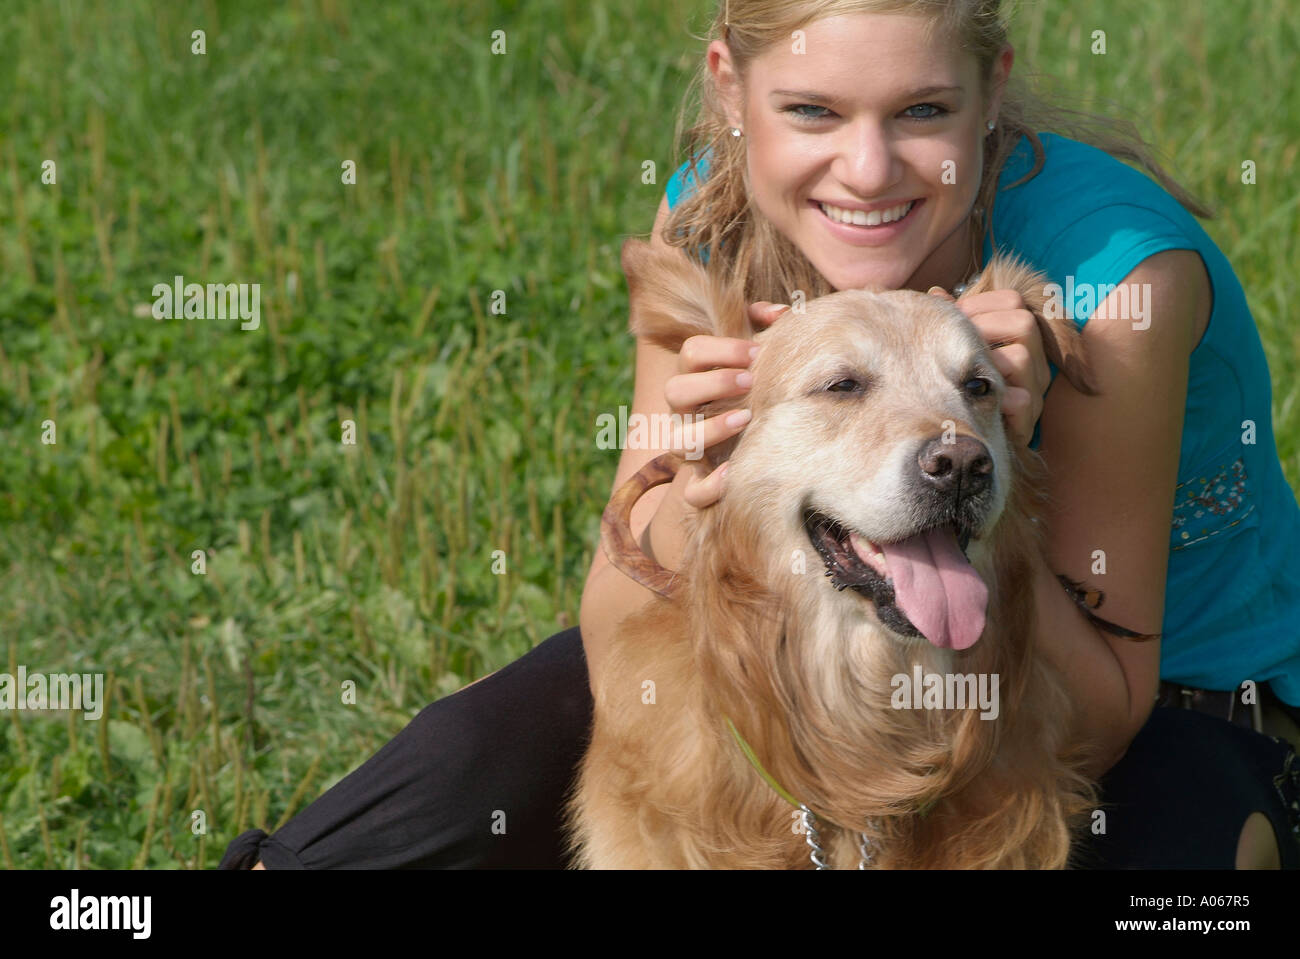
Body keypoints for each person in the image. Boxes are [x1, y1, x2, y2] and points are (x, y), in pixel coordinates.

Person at [221, 0, 1300, 871]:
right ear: (731, 92)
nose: (867, 171)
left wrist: (1014, 439)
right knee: (485, 748)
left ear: (991, 94)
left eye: (921, 110)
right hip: (805, 622)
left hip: (1157, 706)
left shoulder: (1112, 284)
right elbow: (621, 609)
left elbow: (1103, 710)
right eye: (814, 112)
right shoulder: (711, 224)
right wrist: (709, 469)